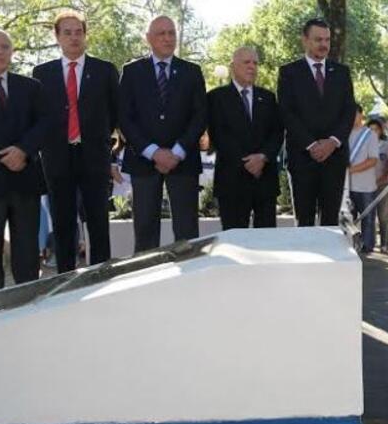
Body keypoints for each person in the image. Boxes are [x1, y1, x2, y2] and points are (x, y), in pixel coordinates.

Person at [33, 10, 119, 272]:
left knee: (97, 220)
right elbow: (37, 116)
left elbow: (115, 112)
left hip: (94, 155)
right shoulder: (42, 72)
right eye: (67, 32)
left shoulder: (104, 70)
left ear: (85, 35)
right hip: (57, 157)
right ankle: (65, 279)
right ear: (57, 36)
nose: (74, 37)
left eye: (78, 32)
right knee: (62, 221)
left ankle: (102, 275)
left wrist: (108, 146)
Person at [118, 16, 207, 252]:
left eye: (171, 33)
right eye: (161, 34)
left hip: (184, 162)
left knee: (187, 233)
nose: (168, 38)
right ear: (148, 38)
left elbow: (200, 117)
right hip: (143, 162)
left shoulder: (192, 71)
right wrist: (153, 152)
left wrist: (177, 152)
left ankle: (189, 280)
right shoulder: (131, 71)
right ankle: (147, 280)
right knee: (145, 231)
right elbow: (125, 118)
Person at [0, 28, 51, 290]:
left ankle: (28, 305)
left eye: (5, 47)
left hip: (25, 179)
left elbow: (46, 122)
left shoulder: (31, 87)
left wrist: (22, 150)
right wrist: (2, 156)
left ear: (12, 52)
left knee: (26, 253)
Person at [278, 18, 356, 226]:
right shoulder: (289, 73)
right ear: (305, 40)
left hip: (335, 158)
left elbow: (349, 111)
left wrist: (332, 142)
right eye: (318, 39)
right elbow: (287, 113)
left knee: (330, 221)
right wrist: (312, 145)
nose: (324, 44)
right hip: (303, 158)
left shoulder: (341, 72)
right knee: (304, 220)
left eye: (327, 40)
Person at [207, 47, 283, 229]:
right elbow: (218, 135)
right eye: (246, 62)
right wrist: (248, 163)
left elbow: (278, 132)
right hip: (232, 181)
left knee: (265, 243)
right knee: (235, 244)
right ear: (233, 66)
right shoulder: (216, 98)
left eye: (255, 63)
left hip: (265, 181)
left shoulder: (268, 97)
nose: (252, 67)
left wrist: (262, 157)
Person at [347, 104, 379, 253]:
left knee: (368, 219)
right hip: (347, 187)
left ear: (361, 115)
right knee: (348, 219)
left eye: (355, 114)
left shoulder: (370, 134)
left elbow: (373, 160)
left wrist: (350, 170)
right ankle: (350, 245)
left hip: (366, 186)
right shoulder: (343, 133)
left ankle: (368, 247)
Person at [367, 118, 388, 253]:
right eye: (370, 130)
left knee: (384, 215)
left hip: (383, 185)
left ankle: (385, 243)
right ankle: (370, 243)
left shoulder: (387, 144)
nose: (373, 132)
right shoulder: (364, 144)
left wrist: (385, 178)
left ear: (380, 130)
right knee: (369, 216)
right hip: (366, 185)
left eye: (376, 130)